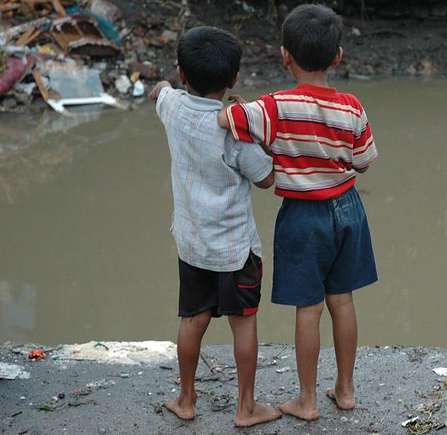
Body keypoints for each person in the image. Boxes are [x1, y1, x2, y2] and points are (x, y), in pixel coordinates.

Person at [217, 4, 379, 421]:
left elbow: (228, 118)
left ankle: (306, 399)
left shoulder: (275, 107)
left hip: (303, 217)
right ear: (338, 56)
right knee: (342, 300)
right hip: (348, 209)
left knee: (309, 309)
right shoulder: (352, 107)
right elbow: (364, 161)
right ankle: (345, 389)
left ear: (284, 56)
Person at [149, 25, 281, 427]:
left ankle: (186, 399)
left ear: (183, 73)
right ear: (233, 79)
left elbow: (160, 91)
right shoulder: (235, 132)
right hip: (236, 250)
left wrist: (165, 84)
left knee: (192, 320)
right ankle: (246, 407)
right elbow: (266, 178)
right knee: (244, 324)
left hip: (191, 245)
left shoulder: (171, 107)